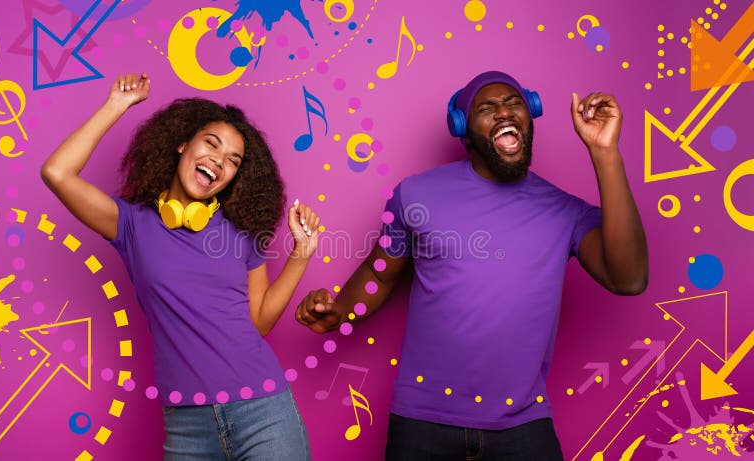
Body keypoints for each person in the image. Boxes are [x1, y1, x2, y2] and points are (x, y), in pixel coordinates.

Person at [294, 71, 648, 460]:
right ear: (463, 129)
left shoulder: (564, 210)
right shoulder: (415, 194)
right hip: (422, 426)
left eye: (513, 103)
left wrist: (605, 153)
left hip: (523, 427)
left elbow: (629, 278)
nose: (502, 113)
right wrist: (340, 311)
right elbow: (380, 272)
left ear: (530, 116)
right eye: (486, 108)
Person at [42, 73, 318, 460]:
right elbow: (57, 172)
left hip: (265, 411)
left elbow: (260, 321)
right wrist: (116, 105)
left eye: (232, 161)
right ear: (182, 144)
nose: (218, 161)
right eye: (211, 144)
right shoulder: (131, 223)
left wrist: (301, 253)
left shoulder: (241, 232)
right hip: (187, 426)